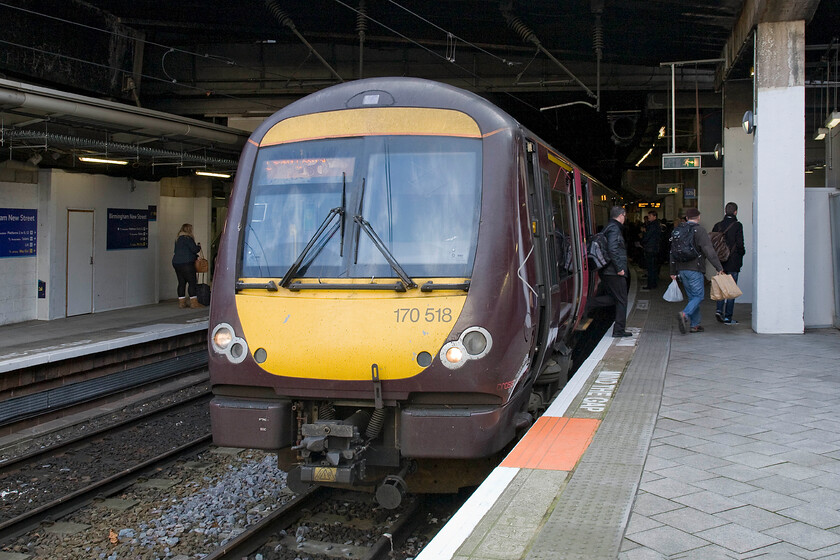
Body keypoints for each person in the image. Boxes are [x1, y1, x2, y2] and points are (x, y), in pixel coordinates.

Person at [669, 208, 724, 334]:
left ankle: (695, 325)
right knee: (698, 296)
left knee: (692, 298)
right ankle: (685, 314)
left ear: (687, 218)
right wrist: (719, 267)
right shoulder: (699, 230)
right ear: (698, 217)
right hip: (695, 269)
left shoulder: (678, 231)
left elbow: (672, 252)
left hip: (681, 269)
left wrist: (673, 271)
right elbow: (708, 250)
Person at [588, 206, 632, 337]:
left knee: (615, 298)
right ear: (621, 215)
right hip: (613, 271)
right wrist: (620, 269)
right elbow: (613, 249)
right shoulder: (614, 229)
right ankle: (619, 330)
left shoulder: (609, 227)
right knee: (622, 300)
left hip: (607, 271)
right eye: (625, 216)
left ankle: (589, 304)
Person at [712, 202, 745, 324]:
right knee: (731, 290)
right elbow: (740, 244)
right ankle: (728, 317)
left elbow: (713, 244)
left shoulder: (717, 226)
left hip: (720, 261)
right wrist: (740, 254)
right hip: (733, 261)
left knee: (721, 287)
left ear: (725, 211)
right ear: (735, 212)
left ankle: (719, 310)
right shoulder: (737, 225)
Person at [172, 223, 203, 308]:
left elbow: (181, 251)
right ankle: (194, 303)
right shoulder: (188, 238)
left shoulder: (178, 239)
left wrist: (195, 257)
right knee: (192, 282)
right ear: (189, 230)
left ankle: (181, 303)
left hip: (176, 262)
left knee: (181, 282)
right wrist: (198, 247)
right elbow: (194, 249)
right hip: (187, 263)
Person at [640, 210, 663, 290]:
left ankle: (651, 284)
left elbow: (647, 236)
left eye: (650, 216)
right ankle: (653, 283)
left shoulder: (652, 226)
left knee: (650, 267)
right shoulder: (657, 225)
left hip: (650, 248)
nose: (648, 217)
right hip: (654, 248)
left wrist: (643, 236)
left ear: (654, 217)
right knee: (653, 267)